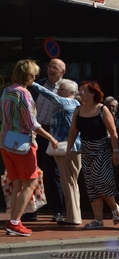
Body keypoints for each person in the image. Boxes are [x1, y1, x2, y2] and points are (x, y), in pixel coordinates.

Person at [1, 59, 58, 236]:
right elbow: (32, 123)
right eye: (33, 74)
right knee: (30, 182)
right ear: (27, 75)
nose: (35, 76)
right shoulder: (24, 94)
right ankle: (15, 222)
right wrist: (50, 137)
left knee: (17, 182)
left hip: (6, 142)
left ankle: (13, 220)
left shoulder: (6, 92)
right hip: (23, 144)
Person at [67, 80, 119, 230]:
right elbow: (73, 131)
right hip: (85, 149)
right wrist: (68, 149)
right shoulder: (78, 111)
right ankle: (98, 219)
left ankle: (115, 207)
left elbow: (113, 132)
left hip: (102, 149)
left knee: (100, 181)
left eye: (83, 91)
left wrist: (115, 151)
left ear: (92, 93)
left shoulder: (102, 109)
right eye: (79, 91)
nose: (80, 93)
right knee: (91, 185)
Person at [31, 78, 83, 226]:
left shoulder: (68, 102)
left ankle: (73, 218)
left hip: (68, 148)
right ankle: (73, 216)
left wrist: (32, 83)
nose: (58, 92)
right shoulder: (76, 104)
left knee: (69, 183)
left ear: (71, 92)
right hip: (71, 148)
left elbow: (48, 95)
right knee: (70, 183)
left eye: (62, 89)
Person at [32, 58, 67, 223]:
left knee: (54, 173)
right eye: (50, 66)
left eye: (55, 67)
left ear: (63, 72)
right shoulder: (38, 84)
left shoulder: (66, 88)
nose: (51, 69)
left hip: (53, 135)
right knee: (33, 172)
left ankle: (58, 210)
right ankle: (32, 210)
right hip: (35, 133)